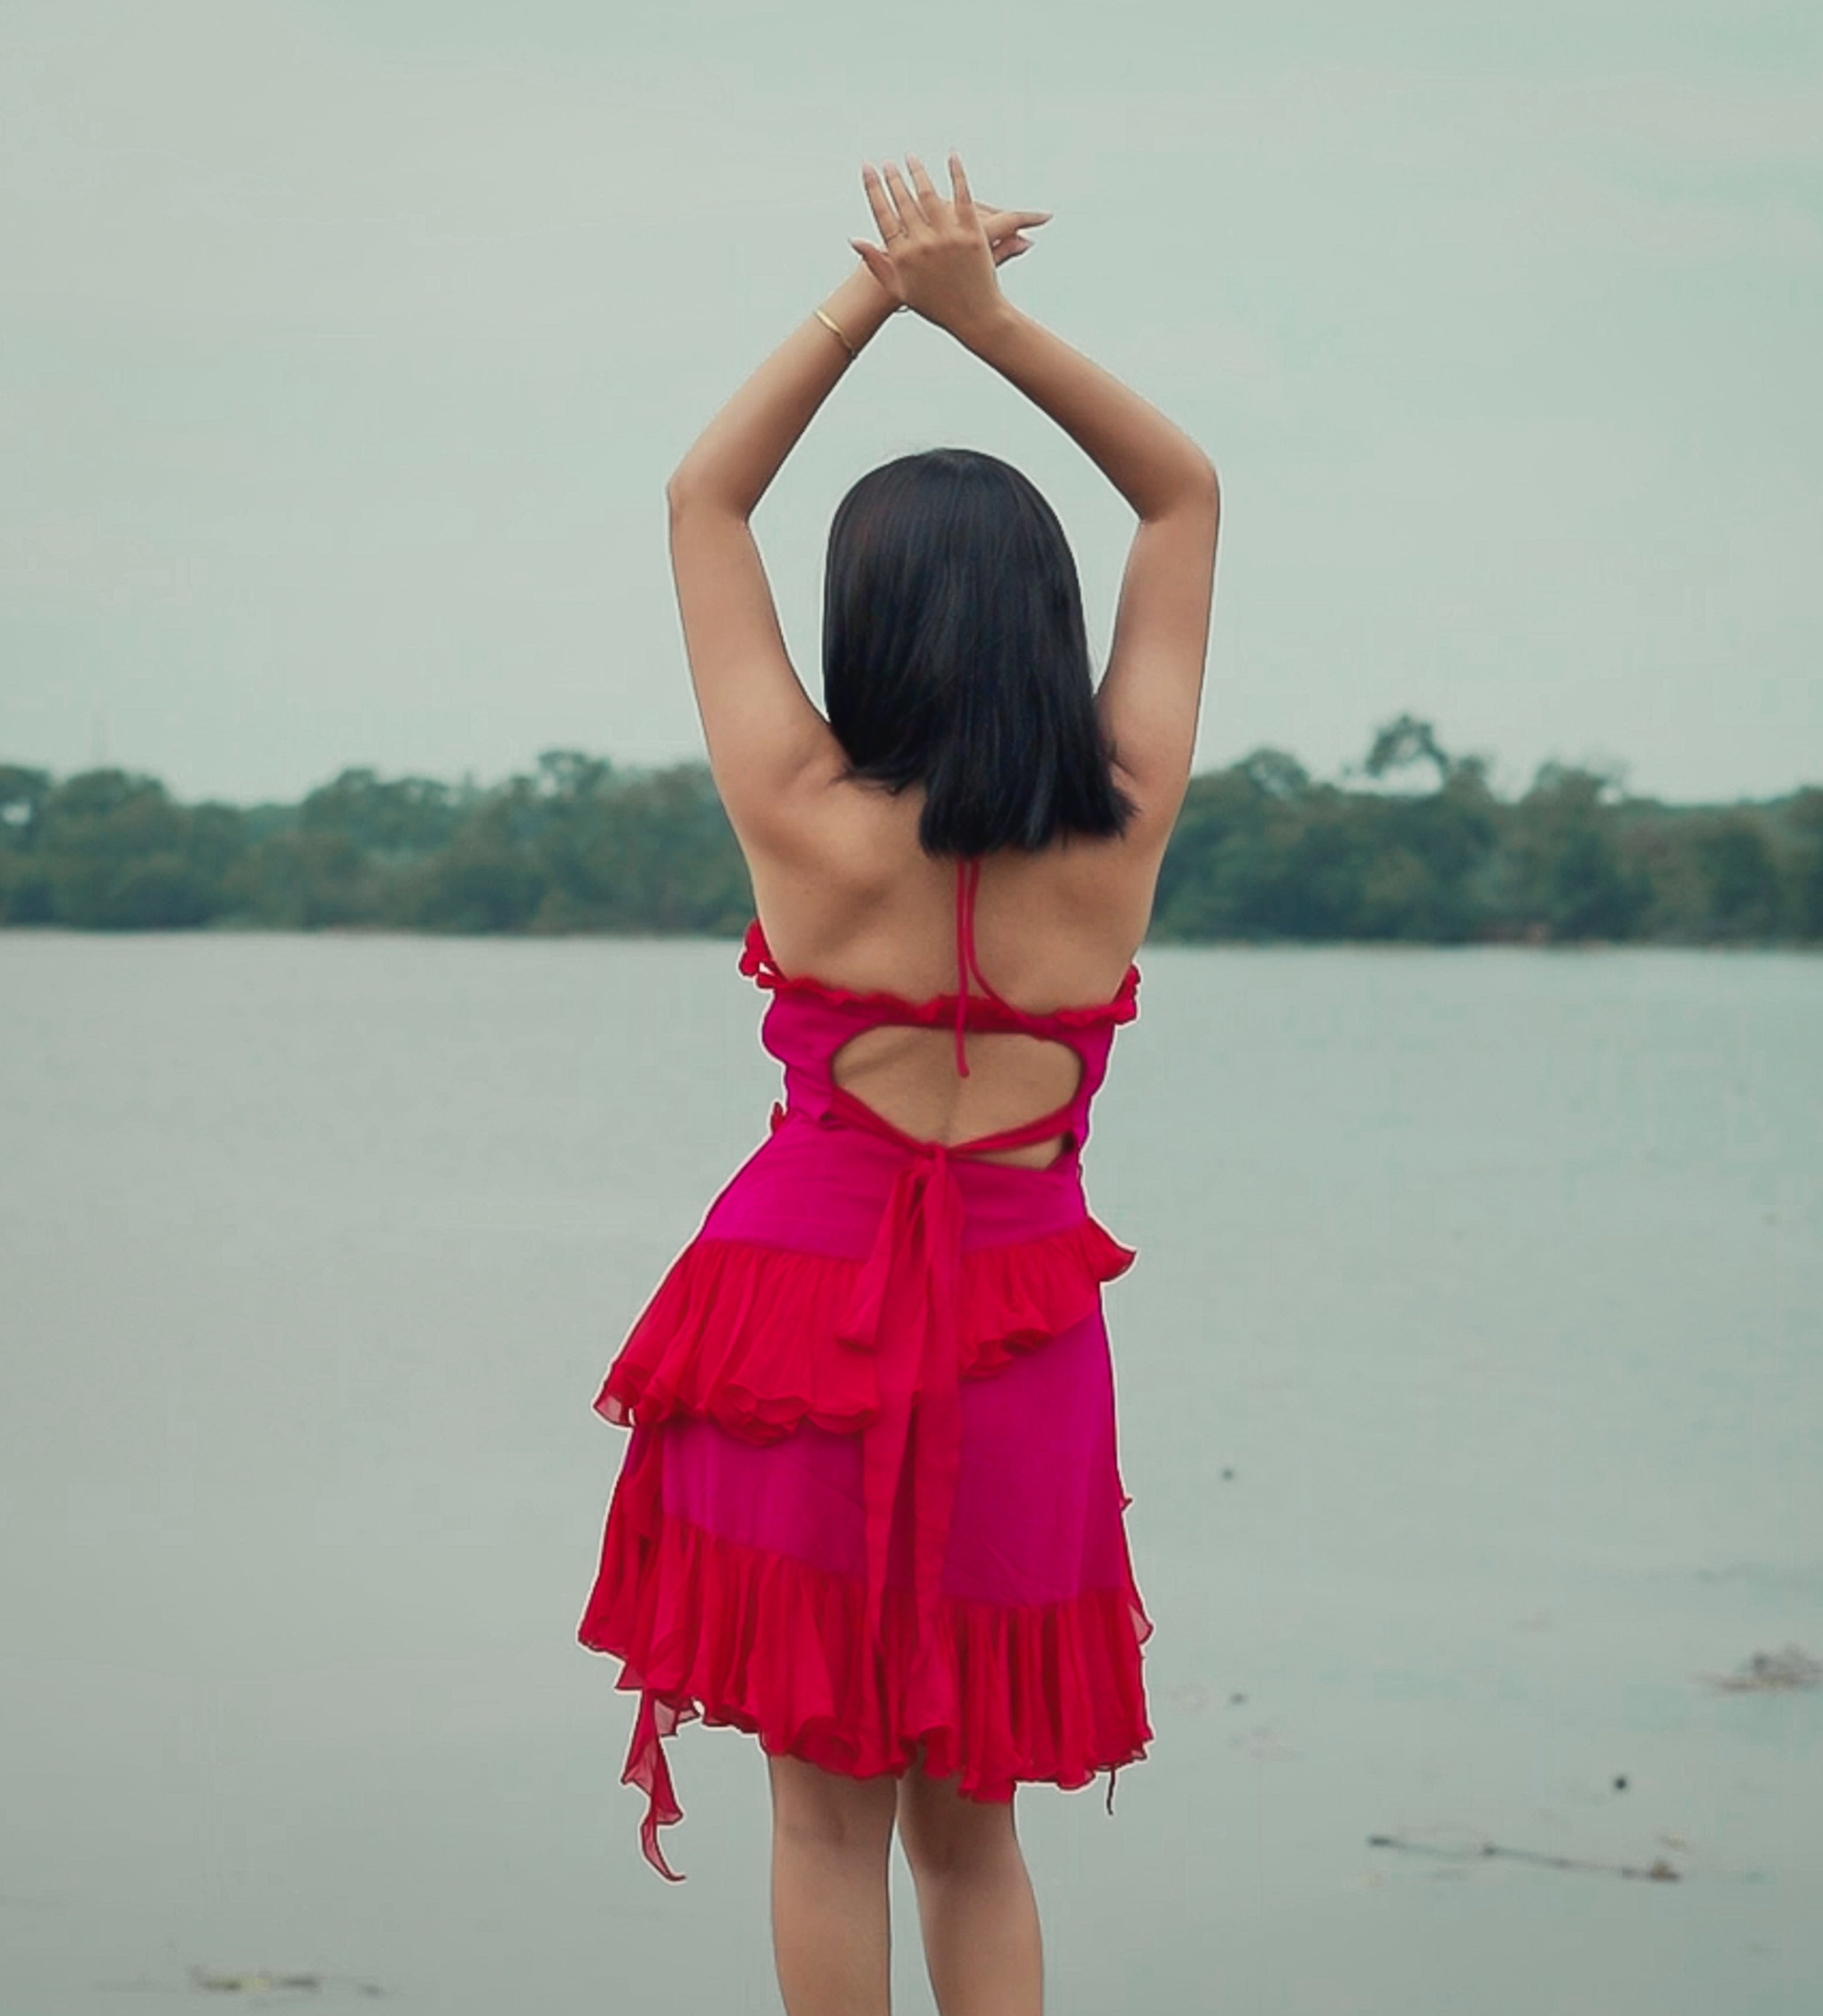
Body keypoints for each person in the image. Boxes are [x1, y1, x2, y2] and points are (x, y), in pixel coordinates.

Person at [579, 152, 1219, 2016]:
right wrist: (990, 323)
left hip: (789, 1324)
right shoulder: (1123, 819)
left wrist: (877, 299)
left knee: (818, 1829)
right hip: (1021, 1346)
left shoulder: (803, 813)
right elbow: (1181, 493)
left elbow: (706, 495)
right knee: (977, 1834)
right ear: (1044, 621)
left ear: (864, 623)